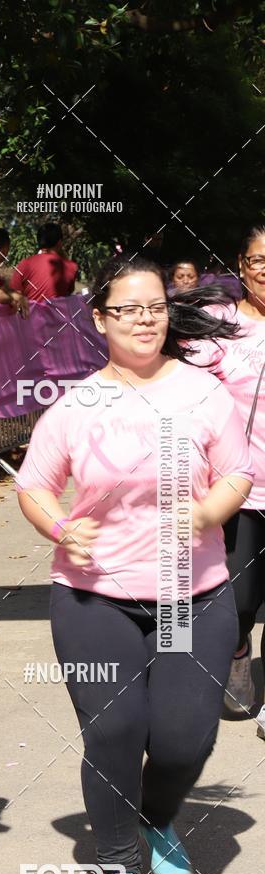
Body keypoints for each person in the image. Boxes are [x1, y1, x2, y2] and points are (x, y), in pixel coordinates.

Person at [16, 256, 252, 874]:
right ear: (100, 319)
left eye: (154, 306)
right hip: (94, 595)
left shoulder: (204, 394)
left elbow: (237, 472)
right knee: (114, 729)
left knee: (185, 739)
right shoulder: (76, 403)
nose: (144, 319)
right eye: (128, 308)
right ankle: (119, 863)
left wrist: (210, 512)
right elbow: (34, 485)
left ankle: (156, 817)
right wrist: (61, 527)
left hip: (192, 593)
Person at [185, 225, 265, 723]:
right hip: (241, 490)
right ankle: (237, 654)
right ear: (242, 265)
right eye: (261, 262)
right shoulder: (222, 324)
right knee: (239, 601)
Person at [10, 223, 78, 302]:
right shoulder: (72, 267)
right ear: (59, 243)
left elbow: (15, 296)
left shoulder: (24, 264)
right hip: (57, 314)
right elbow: (68, 293)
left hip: (31, 313)